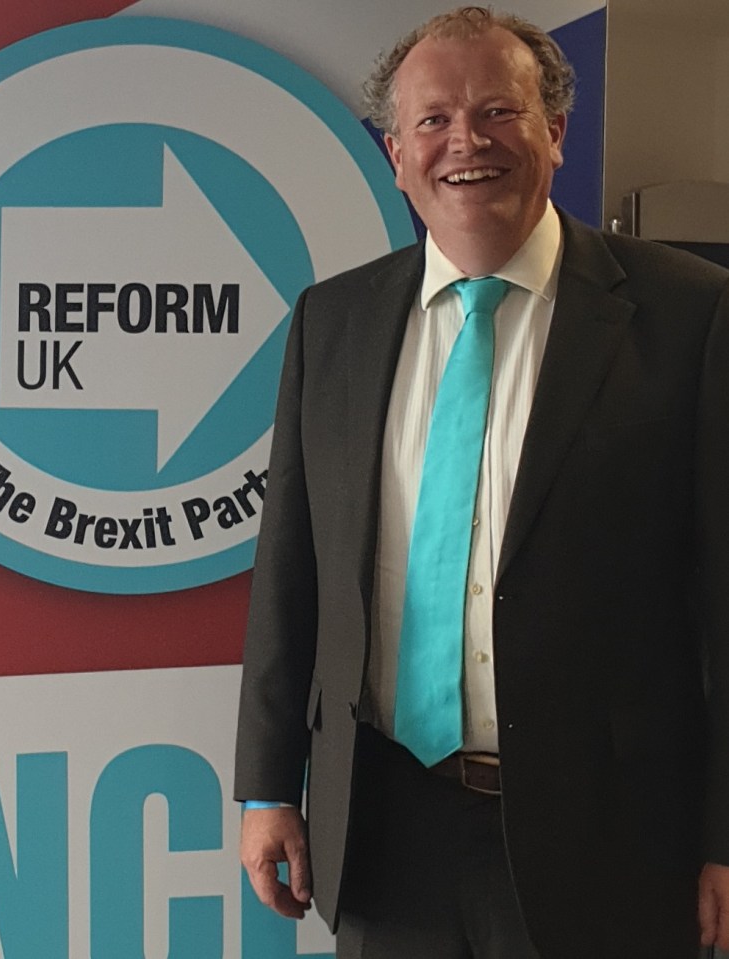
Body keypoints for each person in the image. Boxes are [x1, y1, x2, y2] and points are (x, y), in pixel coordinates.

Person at [234, 6, 729, 958]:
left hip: (612, 835)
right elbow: (290, 570)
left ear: (555, 131)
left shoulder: (689, 315)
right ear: (395, 152)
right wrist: (265, 786)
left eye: (498, 111)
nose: (466, 142)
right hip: (384, 825)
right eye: (432, 120)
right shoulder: (331, 321)